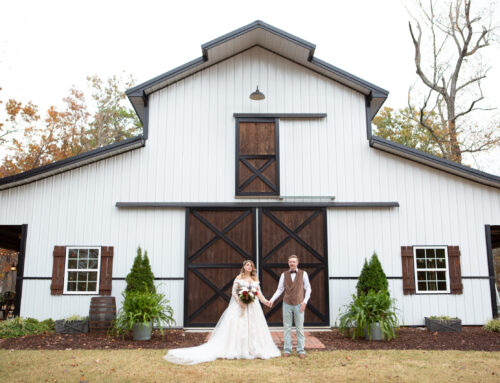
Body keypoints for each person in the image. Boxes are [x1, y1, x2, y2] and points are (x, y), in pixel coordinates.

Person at [164, 260, 281, 364]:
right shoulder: (239, 277)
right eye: (247, 265)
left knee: (254, 327)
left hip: (253, 306)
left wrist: (266, 302)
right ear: (244, 267)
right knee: (239, 327)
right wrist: (240, 302)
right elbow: (234, 292)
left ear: (252, 268)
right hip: (241, 306)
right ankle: (239, 349)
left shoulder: (255, 279)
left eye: (251, 265)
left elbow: (258, 293)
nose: (249, 267)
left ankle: (254, 349)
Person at [268, 254, 311, 359]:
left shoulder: (303, 274)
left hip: (299, 304)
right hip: (286, 304)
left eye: (294, 261)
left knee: (299, 328)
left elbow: (308, 289)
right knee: (287, 328)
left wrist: (305, 302)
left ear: (297, 263)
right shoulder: (284, 275)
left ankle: (301, 350)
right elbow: (280, 289)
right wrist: (272, 300)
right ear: (288, 263)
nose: (292, 263)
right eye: (290, 262)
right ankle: (287, 350)